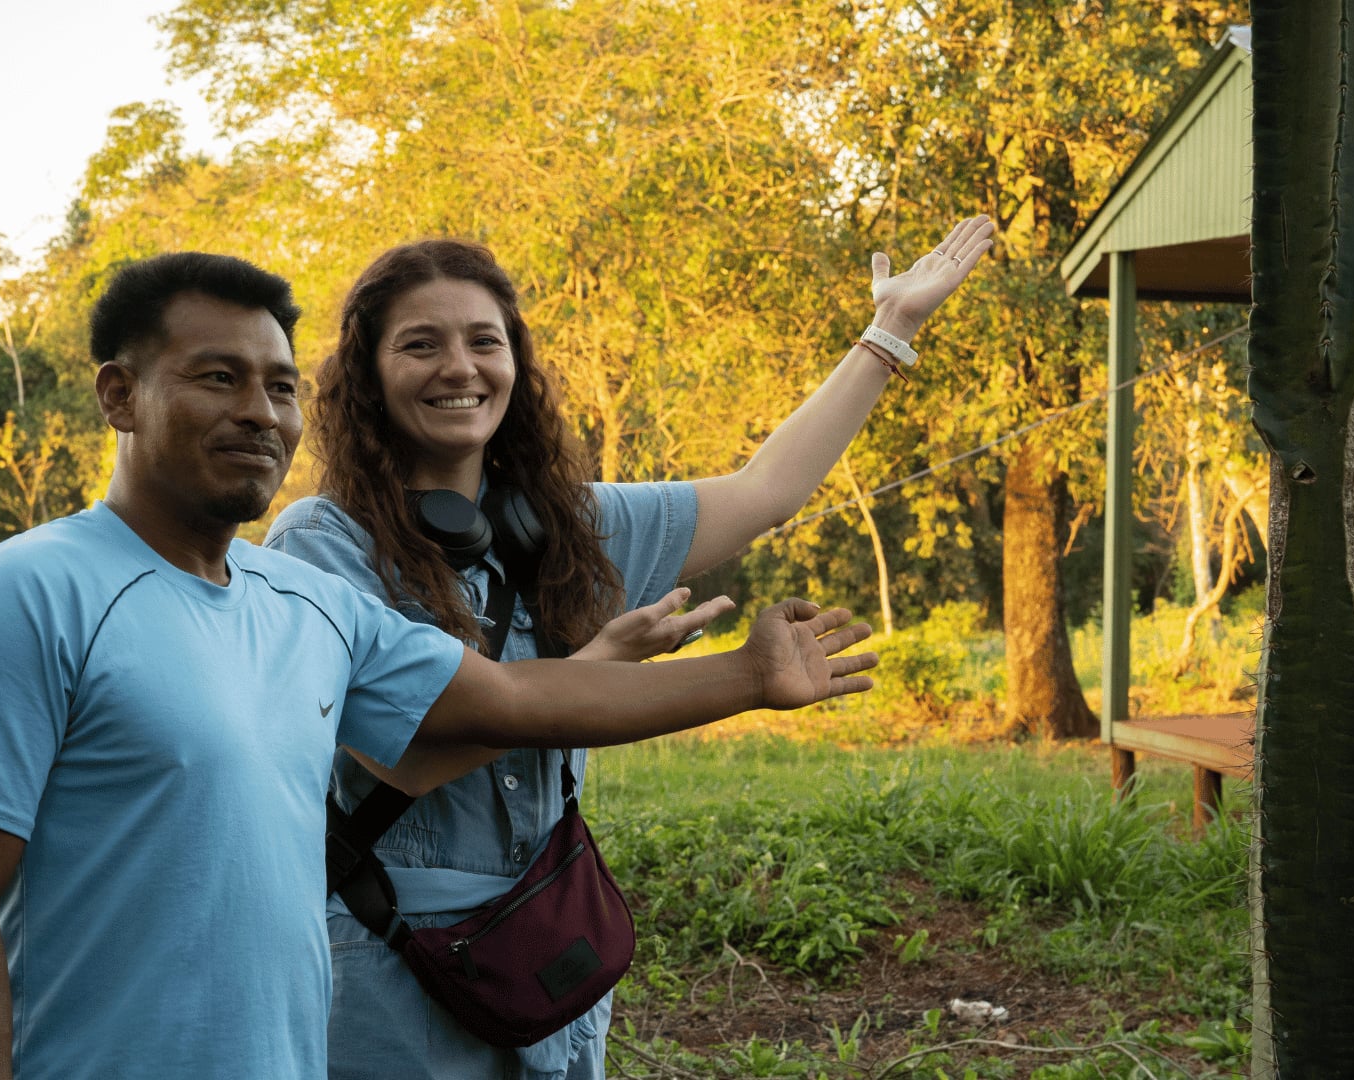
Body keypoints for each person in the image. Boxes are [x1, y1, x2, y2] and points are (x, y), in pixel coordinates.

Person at [0, 252, 878, 1080]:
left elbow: (512, 697)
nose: (257, 412)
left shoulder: (300, 605)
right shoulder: (33, 593)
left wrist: (747, 679)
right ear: (120, 393)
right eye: (215, 378)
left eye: (278, 386)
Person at [264, 215, 994, 1080]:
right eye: (420, 345)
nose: (459, 368)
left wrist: (890, 331)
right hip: (392, 965)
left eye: (484, 341)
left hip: (549, 945)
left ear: (515, 364)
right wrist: (597, 672)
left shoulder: (568, 526)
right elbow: (407, 761)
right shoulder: (320, 542)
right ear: (369, 375)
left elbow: (767, 489)